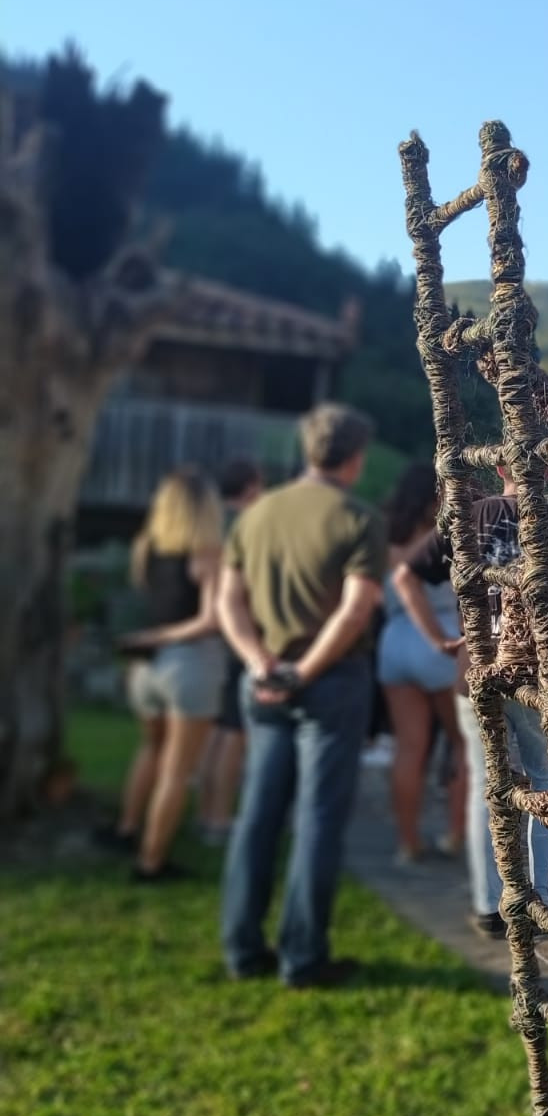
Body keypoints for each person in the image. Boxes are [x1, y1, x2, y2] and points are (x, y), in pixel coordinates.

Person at [217, 403, 386, 987]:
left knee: (257, 816)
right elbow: (356, 607)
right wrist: (307, 670)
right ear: (356, 457)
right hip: (331, 681)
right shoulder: (358, 518)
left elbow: (228, 602)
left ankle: (242, 948)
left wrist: (259, 661)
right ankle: (303, 957)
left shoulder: (257, 514)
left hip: (261, 680)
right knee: (317, 821)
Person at [394, 462, 548, 937]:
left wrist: (439, 637)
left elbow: (405, 577)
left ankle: (489, 904)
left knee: (487, 784)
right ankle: (547, 898)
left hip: (476, 667)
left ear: (499, 464)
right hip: (538, 670)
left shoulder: (467, 516)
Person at [100, 467, 226, 881]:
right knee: (177, 770)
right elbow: (210, 619)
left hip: (146, 666)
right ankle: (151, 862)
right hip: (188, 664)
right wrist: (166, 633)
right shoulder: (207, 553)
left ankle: (128, 827)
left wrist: (151, 635)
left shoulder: (146, 547)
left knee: (149, 749)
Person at [378, 462, 466, 864]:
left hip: (394, 640)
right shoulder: (448, 535)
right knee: (464, 744)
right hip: (442, 639)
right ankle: (456, 835)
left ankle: (406, 841)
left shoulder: (386, 535)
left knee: (409, 748)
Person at [196, 457, 264, 845]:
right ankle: (220, 819)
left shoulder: (214, 523)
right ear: (253, 484)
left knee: (219, 729)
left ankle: (207, 810)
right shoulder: (250, 525)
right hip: (243, 632)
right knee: (233, 732)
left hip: (220, 636)